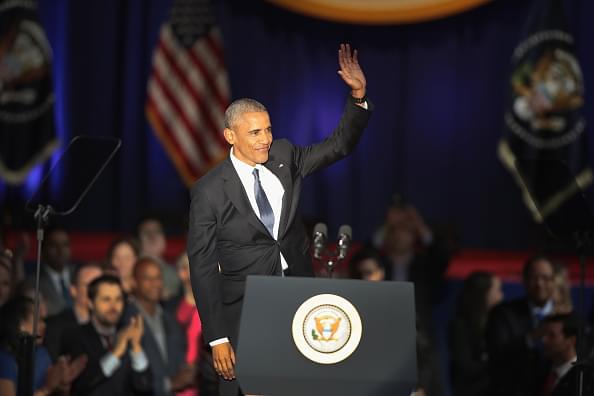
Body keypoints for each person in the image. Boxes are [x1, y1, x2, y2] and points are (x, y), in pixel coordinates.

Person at [188, 43, 371, 396]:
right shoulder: (209, 190)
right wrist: (217, 336)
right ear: (230, 136)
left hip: (297, 298)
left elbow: (339, 146)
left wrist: (358, 96)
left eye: (268, 129)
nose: (266, 139)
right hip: (244, 310)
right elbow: (202, 265)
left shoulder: (284, 156)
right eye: (255, 133)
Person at [62, 274, 152, 395]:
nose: (113, 306)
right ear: (90, 303)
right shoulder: (75, 336)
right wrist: (116, 353)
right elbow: (82, 385)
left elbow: (145, 386)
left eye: (118, 299)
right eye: (106, 299)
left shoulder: (128, 334)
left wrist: (136, 347)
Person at [486, 255, 556, 396]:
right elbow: (497, 354)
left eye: (545, 278)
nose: (539, 284)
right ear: (524, 280)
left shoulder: (566, 316)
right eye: (534, 278)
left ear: (554, 281)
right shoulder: (503, 314)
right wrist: (531, 337)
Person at [128, 257, 194, 396]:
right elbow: (126, 375)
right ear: (134, 282)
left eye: (158, 277)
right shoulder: (126, 319)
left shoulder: (170, 319)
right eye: (148, 278)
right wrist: (169, 383)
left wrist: (190, 371)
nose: (155, 283)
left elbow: (180, 363)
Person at [0, 296, 87, 396]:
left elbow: (55, 390)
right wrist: (46, 389)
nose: (44, 325)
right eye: (39, 319)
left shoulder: (42, 354)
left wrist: (63, 383)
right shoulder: (4, 360)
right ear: (20, 325)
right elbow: (47, 388)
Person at [449, 272, 503, 396]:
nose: (501, 296)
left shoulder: (499, 323)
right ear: (484, 294)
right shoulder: (460, 326)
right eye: (498, 290)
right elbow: (466, 367)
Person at [44, 262, 103, 360]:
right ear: (73, 290)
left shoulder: (114, 325)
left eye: (100, 285)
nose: (96, 291)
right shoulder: (55, 327)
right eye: (90, 285)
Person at [540, 312, 593, 396]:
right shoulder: (539, 369)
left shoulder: (586, 378)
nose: (544, 340)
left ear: (571, 340)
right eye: (544, 334)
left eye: (552, 335)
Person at [33, 227, 76, 316]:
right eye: (53, 245)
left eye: (65, 244)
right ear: (43, 249)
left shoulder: (80, 274)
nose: (60, 250)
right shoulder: (34, 281)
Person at [137, 217, 182, 300]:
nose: (152, 236)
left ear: (164, 239)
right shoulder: (131, 267)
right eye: (146, 232)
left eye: (157, 231)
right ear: (139, 239)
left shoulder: (175, 273)